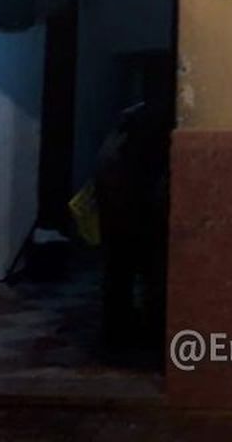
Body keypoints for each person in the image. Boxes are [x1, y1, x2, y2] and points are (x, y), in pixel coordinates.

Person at [93, 93, 171, 360]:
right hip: (136, 215)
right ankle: (144, 333)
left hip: (121, 217)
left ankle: (118, 333)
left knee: (120, 273)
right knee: (150, 274)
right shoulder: (140, 144)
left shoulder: (118, 140)